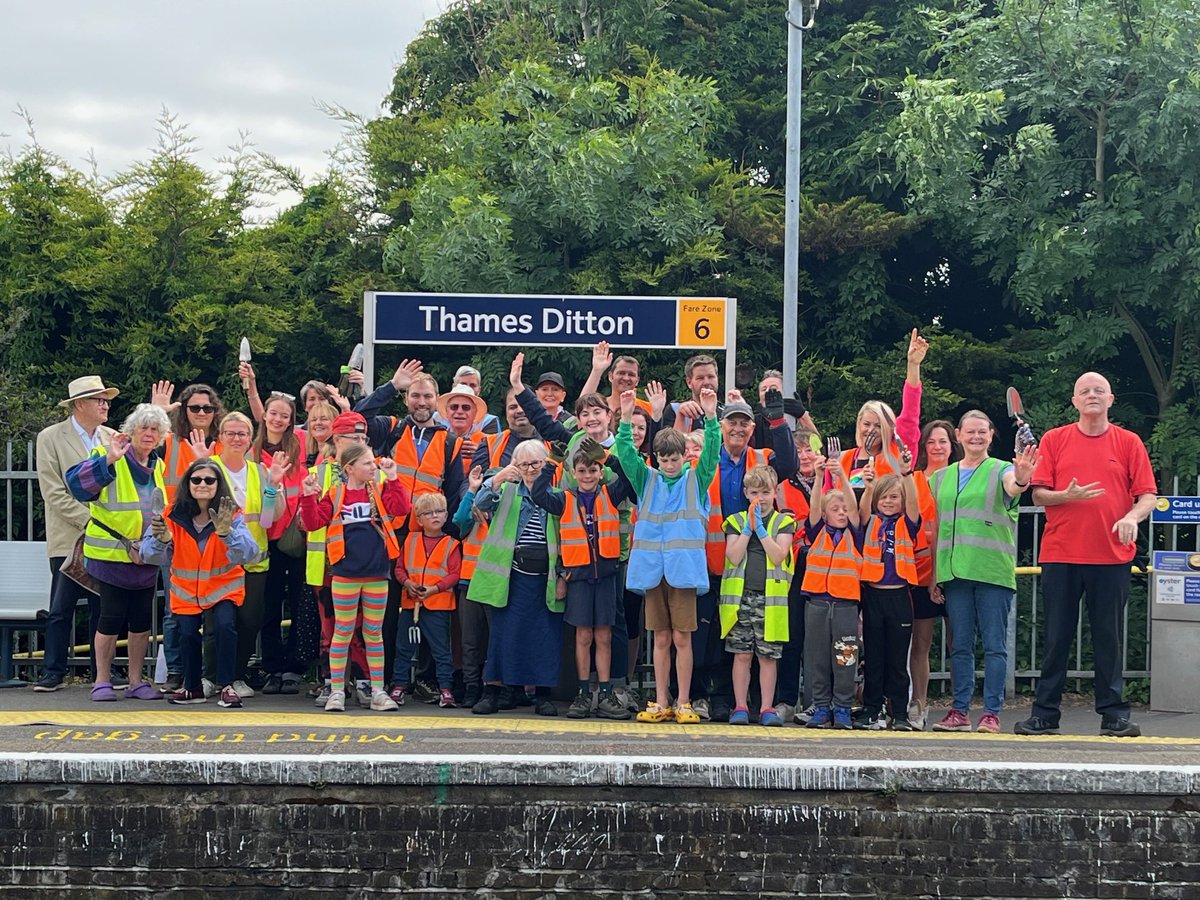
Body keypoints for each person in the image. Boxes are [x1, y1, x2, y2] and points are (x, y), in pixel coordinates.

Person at [1016, 373, 1157, 738]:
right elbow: (1037, 495)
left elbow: (1148, 496)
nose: (1092, 395)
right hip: (1061, 554)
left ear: (1111, 399)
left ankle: (1114, 715)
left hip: (1112, 556)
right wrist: (1067, 495)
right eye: (1084, 391)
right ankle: (1045, 714)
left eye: (1098, 391)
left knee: (1109, 637)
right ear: (1074, 401)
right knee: (1056, 637)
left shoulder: (1129, 442)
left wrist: (1131, 516)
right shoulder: (1055, 439)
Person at [617, 387, 721, 725]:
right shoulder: (647, 479)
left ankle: (684, 701)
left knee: (682, 637)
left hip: (684, 571)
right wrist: (624, 417)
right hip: (652, 571)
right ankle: (661, 700)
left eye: (674, 458)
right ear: (656, 459)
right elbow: (625, 453)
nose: (669, 464)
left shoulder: (697, 479)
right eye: (663, 459)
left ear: (683, 457)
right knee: (660, 638)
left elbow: (712, 456)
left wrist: (711, 417)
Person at [930, 411, 1036, 734]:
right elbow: (937, 527)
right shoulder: (940, 478)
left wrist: (1022, 476)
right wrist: (935, 575)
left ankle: (991, 712)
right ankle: (959, 711)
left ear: (991, 436)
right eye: (970, 432)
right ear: (958, 435)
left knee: (994, 645)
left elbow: (1014, 486)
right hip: (954, 572)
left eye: (983, 432)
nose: (976, 437)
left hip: (991, 572)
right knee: (959, 645)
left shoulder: (1001, 469)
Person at [66, 403, 170, 702]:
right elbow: (77, 486)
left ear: (161, 436)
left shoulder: (159, 467)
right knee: (110, 618)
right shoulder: (107, 454)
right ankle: (101, 680)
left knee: (141, 622)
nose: (149, 434)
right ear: (130, 431)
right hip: (110, 555)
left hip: (145, 556)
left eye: (155, 430)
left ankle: (136, 681)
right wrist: (109, 460)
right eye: (144, 428)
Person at [299, 441, 411, 712]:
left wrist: (394, 477)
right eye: (367, 463)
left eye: (373, 462)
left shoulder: (379, 490)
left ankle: (377, 691)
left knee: (373, 633)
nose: (373, 467)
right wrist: (307, 497)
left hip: (376, 574)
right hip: (345, 574)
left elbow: (402, 508)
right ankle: (337, 690)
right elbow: (314, 523)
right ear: (349, 468)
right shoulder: (336, 494)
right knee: (343, 632)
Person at [529, 441, 635, 720]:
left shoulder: (610, 495)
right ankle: (583, 693)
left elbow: (630, 477)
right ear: (573, 473)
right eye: (582, 470)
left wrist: (608, 457)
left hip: (606, 577)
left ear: (600, 472)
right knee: (583, 636)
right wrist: (552, 461)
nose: (587, 475)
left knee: (604, 635)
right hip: (578, 578)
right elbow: (539, 494)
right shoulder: (564, 499)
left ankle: (606, 693)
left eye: (593, 470)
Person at [141, 459, 258, 707]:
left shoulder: (232, 514)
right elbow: (148, 555)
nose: (202, 484)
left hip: (222, 587)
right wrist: (161, 541)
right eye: (196, 479)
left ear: (219, 485)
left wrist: (227, 533)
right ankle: (192, 687)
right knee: (187, 634)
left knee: (226, 628)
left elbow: (249, 553)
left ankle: (226, 685)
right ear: (188, 483)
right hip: (185, 591)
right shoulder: (170, 515)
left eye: (209, 480)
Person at [467, 441, 565, 716]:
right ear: (516, 467)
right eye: (525, 465)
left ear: (546, 464)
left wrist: (563, 576)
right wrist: (496, 478)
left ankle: (543, 696)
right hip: (509, 577)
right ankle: (493, 692)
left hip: (545, 578)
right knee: (502, 637)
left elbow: (567, 539)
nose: (532, 469)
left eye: (537, 464)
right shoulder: (506, 490)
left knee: (545, 637)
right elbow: (481, 504)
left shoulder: (558, 495)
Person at [33, 376, 117, 691]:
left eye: (106, 399)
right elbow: (52, 491)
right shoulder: (50, 437)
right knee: (61, 607)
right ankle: (53, 671)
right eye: (99, 399)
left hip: (107, 537)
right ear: (80, 404)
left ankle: (103, 673)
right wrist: (88, 520)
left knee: (104, 607)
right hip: (69, 535)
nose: (105, 404)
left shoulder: (112, 437)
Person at [210, 412, 288, 699]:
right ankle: (211, 676)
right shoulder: (209, 467)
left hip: (254, 561)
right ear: (220, 437)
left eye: (242, 433)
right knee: (217, 623)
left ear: (250, 439)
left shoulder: (260, 471)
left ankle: (236, 675)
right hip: (217, 561)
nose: (236, 438)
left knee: (250, 621)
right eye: (230, 433)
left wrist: (274, 488)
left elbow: (269, 520)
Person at [719, 465, 796, 727]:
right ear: (745, 493)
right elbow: (733, 555)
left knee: (767, 656)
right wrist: (748, 529)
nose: (759, 499)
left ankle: (766, 707)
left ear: (775, 493)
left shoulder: (784, 522)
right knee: (741, 655)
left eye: (765, 492)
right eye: (754, 492)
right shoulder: (735, 521)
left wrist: (762, 530)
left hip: (771, 603)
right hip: (740, 601)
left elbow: (778, 555)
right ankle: (740, 706)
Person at [253, 391, 311, 695]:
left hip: (298, 537)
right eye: (273, 413)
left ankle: (294, 668)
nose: (278, 419)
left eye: (284, 415)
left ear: (291, 421)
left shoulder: (300, 447)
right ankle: (272, 667)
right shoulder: (252, 449)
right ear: (264, 415)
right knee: (270, 606)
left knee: (300, 605)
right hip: (266, 538)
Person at [857, 461, 920, 731]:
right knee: (873, 658)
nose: (888, 501)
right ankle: (873, 709)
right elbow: (861, 511)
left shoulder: (907, 523)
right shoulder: (870, 522)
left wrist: (906, 476)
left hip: (899, 598)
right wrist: (869, 487)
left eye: (894, 497)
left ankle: (900, 713)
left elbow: (915, 506)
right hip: (873, 597)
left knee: (897, 660)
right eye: (883, 497)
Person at [802, 457, 863, 730]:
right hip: (817, 603)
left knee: (845, 656)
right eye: (834, 509)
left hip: (846, 605)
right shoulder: (816, 533)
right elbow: (815, 506)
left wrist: (843, 479)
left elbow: (852, 506)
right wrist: (818, 479)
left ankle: (843, 708)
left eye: (843, 509)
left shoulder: (855, 534)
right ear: (825, 515)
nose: (841, 512)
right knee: (817, 657)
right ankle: (821, 706)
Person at [907, 419, 961, 729]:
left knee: (959, 643)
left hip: (954, 570)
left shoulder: (960, 476)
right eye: (932, 441)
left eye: (943, 441)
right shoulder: (914, 479)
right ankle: (920, 704)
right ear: (924, 447)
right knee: (921, 643)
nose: (937, 447)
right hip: (921, 571)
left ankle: (959, 706)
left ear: (951, 445)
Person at [391, 492, 461, 708]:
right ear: (419, 519)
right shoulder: (410, 540)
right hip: (411, 603)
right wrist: (407, 583)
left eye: (439, 511)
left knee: (441, 650)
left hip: (438, 604)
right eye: (428, 513)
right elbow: (399, 568)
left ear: (447, 515)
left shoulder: (451, 544)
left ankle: (446, 689)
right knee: (404, 647)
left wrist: (434, 589)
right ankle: (399, 686)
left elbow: (455, 574)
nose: (435, 516)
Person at [774, 426, 819, 724]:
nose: (804, 455)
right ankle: (787, 698)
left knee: (818, 639)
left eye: (809, 449)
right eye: (798, 450)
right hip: (791, 565)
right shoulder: (781, 484)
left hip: (823, 566)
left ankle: (816, 701)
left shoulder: (831, 481)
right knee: (791, 636)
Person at [752, 370, 815, 449]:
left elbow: (817, 450)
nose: (768, 392)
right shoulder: (753, 422)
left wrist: (803, 416)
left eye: (773, 388)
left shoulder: (795, 421)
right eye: (763, 389)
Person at [664, 354, 723, 432]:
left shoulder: (726, 413)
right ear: (689, 382)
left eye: (711, 377)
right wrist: (680, 417)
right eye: (700, 378)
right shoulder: (675, 410)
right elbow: (670, 443)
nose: (706, 382)